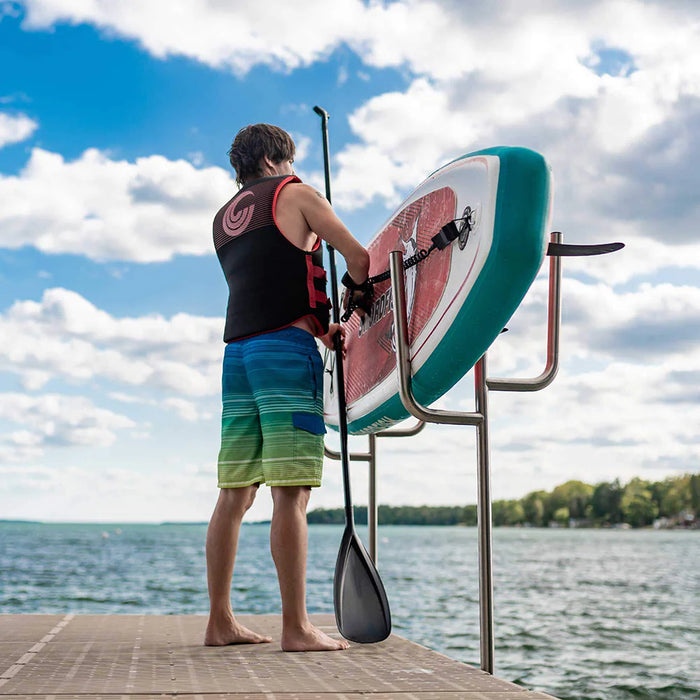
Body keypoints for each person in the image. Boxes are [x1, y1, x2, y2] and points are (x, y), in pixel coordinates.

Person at [205, 123, 370, 652]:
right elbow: (359, 258)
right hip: (285, 355)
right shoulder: (296, 192)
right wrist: (358, 303)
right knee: (291, 494)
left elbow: (268, 282)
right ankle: (296, 628)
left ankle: (220, 622)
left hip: (238, 356)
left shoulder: (224, 219)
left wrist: (324, 327)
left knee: (234, 494)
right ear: (278, 158)